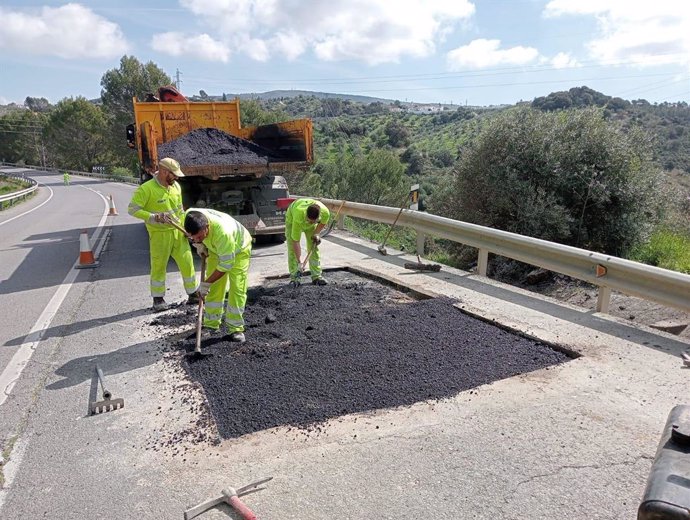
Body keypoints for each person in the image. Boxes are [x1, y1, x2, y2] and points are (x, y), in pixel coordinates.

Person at [128, 157, 197, 311]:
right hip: (159, 235)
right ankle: (158, 299)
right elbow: (132, 209)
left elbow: (180, 210)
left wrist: (187, 228)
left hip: (178, 232)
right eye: (174, 174)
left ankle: (193, 294)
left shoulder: (176, 187)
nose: (177, 177)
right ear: (164, 172)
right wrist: (153, 217)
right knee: (159, 266)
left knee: (187, 263)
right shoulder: (146, 189)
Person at [184, 208, 252, 343]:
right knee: (215, 288)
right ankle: (211, 324)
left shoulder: (223, 233)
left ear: (207, 227)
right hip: (215, 249)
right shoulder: (190, 215)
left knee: (237, 289)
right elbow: (190, 233)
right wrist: (199, 244)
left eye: (199, 236)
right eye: (193, 237)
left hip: (239, 249)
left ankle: (236, 328)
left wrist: (206, 283)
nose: (196, 239)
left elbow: (226, 265)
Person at [285, 198, 330, 286]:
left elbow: (323, 222)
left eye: (313, 221)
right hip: (292, 218)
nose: (310, 223)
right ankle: (295, 278)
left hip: (308, 220)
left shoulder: (325, 212)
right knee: (292, 249)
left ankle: (316, 276)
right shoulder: (299, 216)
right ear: (306, 215)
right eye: (309, 220)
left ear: (318, 217)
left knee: (313, 246)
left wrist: (316, 234)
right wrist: (299, 262)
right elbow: (295, 241)